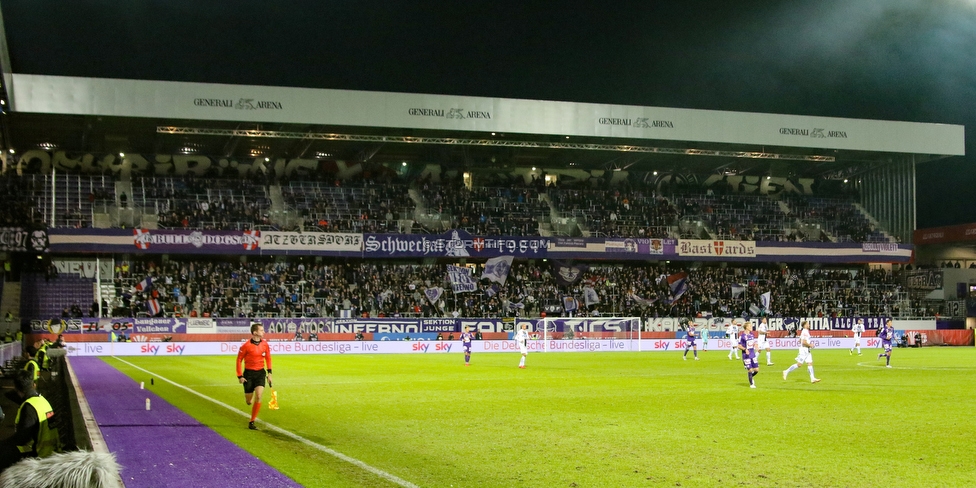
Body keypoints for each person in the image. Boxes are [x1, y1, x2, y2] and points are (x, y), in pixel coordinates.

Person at [0, 370, 61, 472]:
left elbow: (22, 439)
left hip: (38, 455)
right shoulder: (42, 401)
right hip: (52, 452)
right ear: (34, 385)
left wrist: (3, 444)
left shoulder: (29, 407)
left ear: (16, 388)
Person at [236, 322, 273, 430]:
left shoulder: (265, 344)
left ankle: (251, 422)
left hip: (260, 373)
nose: (264, 332)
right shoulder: (246, 346)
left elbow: (268, 358)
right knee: (249, 401)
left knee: (259, 396)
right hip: (249, 374)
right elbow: (239, 360)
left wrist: (269, 373)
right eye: (261, 330)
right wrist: (240, 376)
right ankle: (250, 401)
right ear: (255, 332)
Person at [738, 322, 759, 388]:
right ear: (746, 327)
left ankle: (750, 376)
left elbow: (753, 342)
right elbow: (739, 346)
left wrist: (756, 346)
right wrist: (745, 349)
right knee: (750, 370)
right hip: (746, 355)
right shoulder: (742, 336)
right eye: (750, 326)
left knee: (756, 370)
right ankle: (751, 384)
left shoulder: (752, 334)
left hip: (753, 354)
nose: (751, 327)